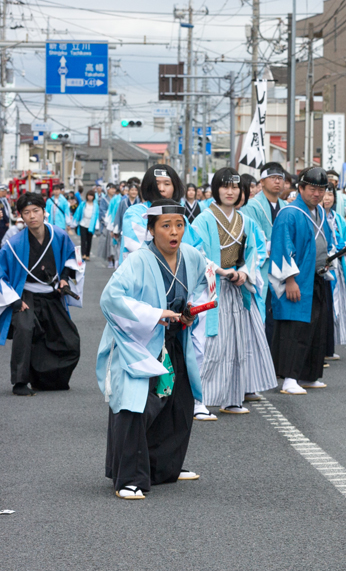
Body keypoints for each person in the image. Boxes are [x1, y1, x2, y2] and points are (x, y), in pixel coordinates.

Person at [98, 200, 210, 499]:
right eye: (165, 226)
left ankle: (165, 467)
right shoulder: (138, 260)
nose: (174, 232)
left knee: (178, 404)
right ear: (151, 230)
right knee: (135, 406)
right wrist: (154, 314)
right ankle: (128, 478)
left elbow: (202, 286)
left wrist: (189, 310)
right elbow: (111, 300)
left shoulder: (191, 256)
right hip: (140, 341)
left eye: (179, 225)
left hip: (174, 339)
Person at [190, 169, 277, 415]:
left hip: (238, 289)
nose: (230, 192)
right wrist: (222, 271)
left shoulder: (246, 221)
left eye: (235, 187)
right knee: (208, 345)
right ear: (216, 189)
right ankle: (199, 401)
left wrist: (244, 273)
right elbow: (195, 252)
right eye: (225, 186)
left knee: (238, 343)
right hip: (211, 289)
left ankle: (232, 397)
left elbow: (257, 251)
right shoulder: (203, 220)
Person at [0, 192, 82, 395]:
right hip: (25, 294)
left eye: (36, 211)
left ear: (44, 212)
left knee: (69, 339)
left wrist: (64, 278)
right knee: (25, 329)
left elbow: (72, 259)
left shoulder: (59, 235)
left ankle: (48, 380)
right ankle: (20, 382)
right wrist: (14, 300)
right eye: (26, 212)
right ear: (21, 216)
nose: (32, 216)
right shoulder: (13, 244)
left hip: (52, 292)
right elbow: (1, 275)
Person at [269, 168, 337, 395]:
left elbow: (324, 240)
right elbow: (281, 246)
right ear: (300, 188)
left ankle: (309, 374)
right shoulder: (289, 213)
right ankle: (289, 377)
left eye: (322, 189)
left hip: (316, 276)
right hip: (297, 280)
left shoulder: (319, 211)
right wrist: (289, 280)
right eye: (312, 189)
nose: (317, 194)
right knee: (294, 329)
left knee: (316, 328)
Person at [241, 162, 288, 338]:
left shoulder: (286, 207)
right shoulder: (252, 206)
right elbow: (254, 239)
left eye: (280, 178)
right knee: (261, 315)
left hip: (283, 268)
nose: (278, 182)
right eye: (273, 178)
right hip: (261, 268)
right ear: (262, 181)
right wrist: (275, 246)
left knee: (279, 316)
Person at [321, 188, 346, 352]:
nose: (327, 198)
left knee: (338, 306)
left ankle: (331, 345)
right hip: (322, 266)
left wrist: (345, 247)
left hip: (337, 267)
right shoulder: (315, 216)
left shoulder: (338, 218)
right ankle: (323, 346)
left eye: (330, 194)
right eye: (323, 193)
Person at [72, 189, 100, 260]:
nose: (90, 197)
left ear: (93, 197)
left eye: (91, 196)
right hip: (83, 223)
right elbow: (78, 213)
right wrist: (75, 222)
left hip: (91, 225)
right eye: (89, 196)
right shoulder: (83, 204)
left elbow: (97, 215)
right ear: (87, 196)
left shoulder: (95, 205)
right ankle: (83, 254)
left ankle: (88, 255)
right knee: (83, 240)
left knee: (89, 240)